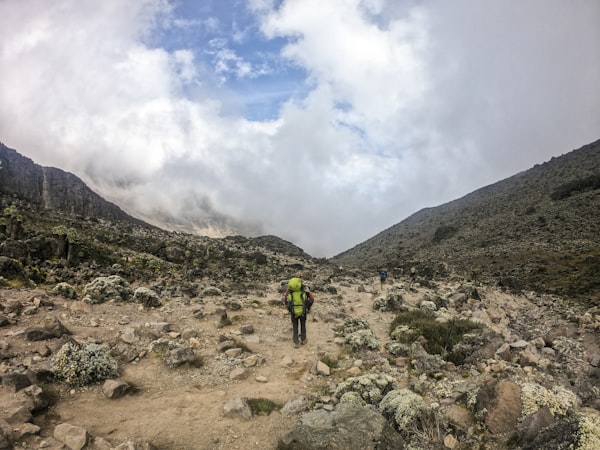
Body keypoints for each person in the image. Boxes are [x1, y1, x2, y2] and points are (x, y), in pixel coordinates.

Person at [283, 275, 315, 348]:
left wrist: (288, 307)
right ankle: (303, 340)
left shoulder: (290, 289)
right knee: (303, 324)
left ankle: (296, 342)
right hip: (303, 311)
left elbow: (285, 299)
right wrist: (308, 306)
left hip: (293, 311)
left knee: (295, 325)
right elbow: (312, 299)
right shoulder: (304, 288)